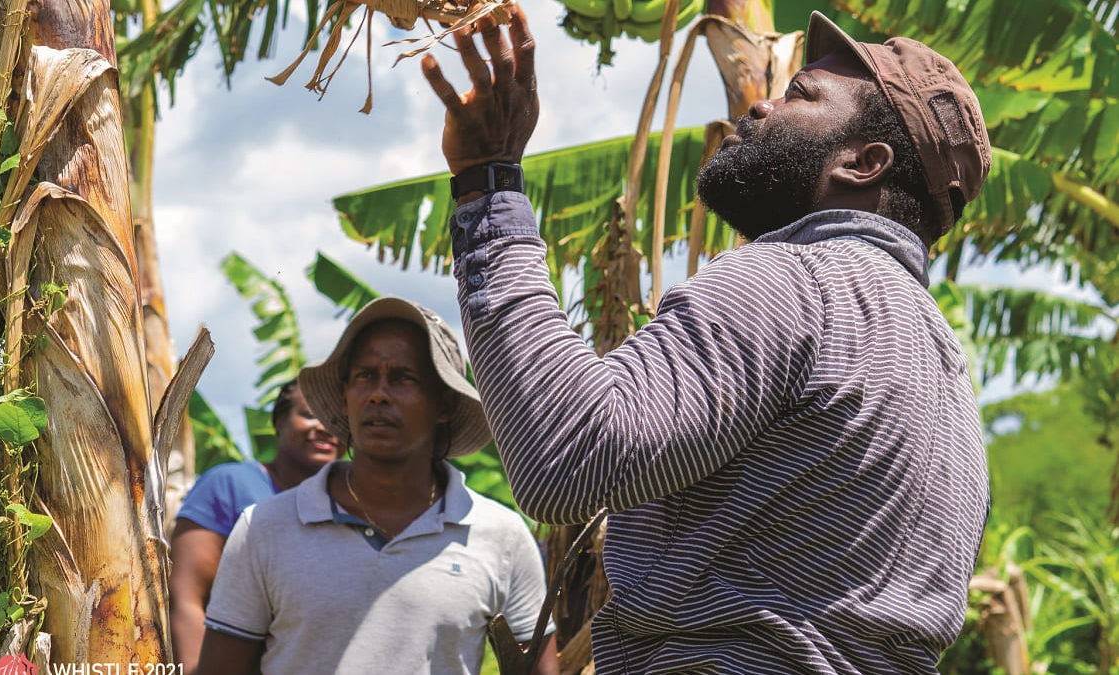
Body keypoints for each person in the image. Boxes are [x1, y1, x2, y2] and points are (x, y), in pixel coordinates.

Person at [421, 7, 991, 674]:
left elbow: (566, 457)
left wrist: (488, 185)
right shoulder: (945, 372)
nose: (759, 107)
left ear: (862, 163)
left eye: (800, 96)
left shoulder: (793, 281)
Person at [197, 297, 558, 674]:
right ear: (344, 395)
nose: (379, 394)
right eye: (365, 376)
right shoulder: (264, 528)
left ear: (444, 406)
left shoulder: (501, 536)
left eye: (404, 378)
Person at [169, 380, 340, 671]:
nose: (325, 427)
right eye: (310, 415)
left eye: (337, 420)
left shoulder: (348, 507)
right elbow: (187, 596)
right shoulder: (230, 485)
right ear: (279, 421)